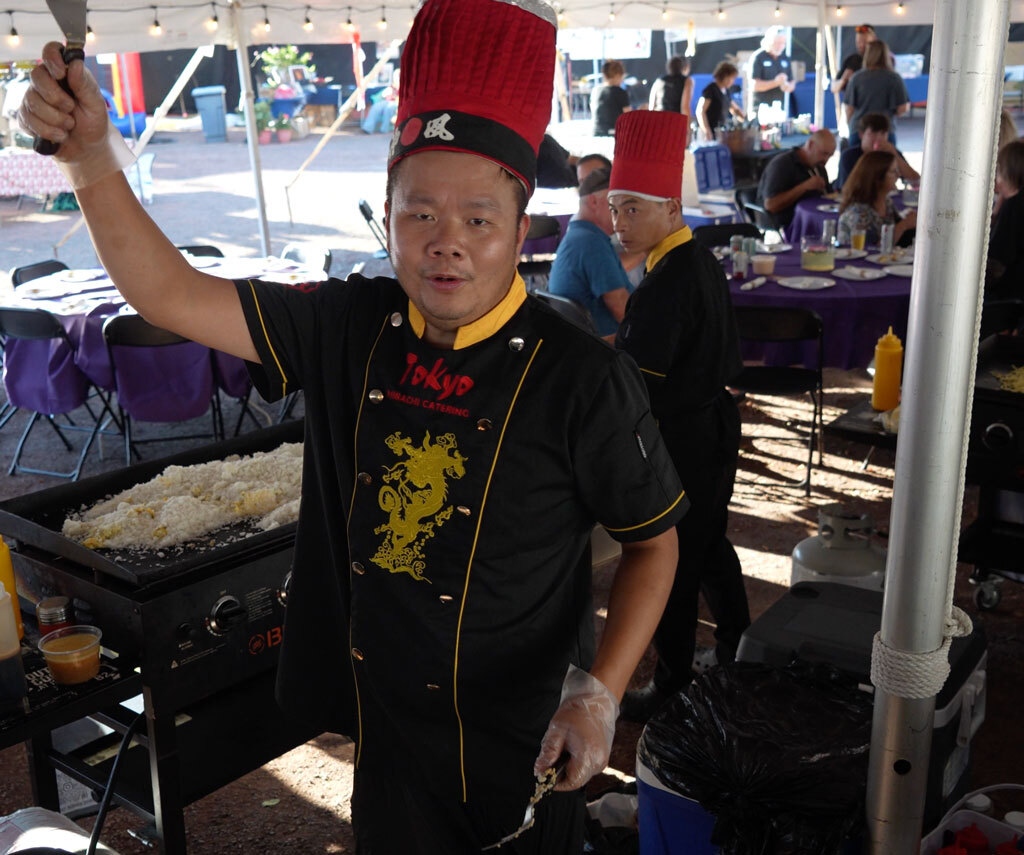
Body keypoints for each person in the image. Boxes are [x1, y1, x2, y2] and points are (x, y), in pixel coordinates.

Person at [20, 0, 687, 850]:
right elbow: (169, 292)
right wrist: (89, 156)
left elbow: (654, 543)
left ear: (522, 228)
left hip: (525, 743)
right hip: (388, 739)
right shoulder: (348, 325)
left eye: (479, 219)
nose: (447, 242)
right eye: (420, 212)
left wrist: (600, 694)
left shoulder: (583, 375)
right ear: (387, 213)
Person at [608, 111, 749, 722]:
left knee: (673, 561)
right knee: (710, 544)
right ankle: (739, 647)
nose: (619, 223)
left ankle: (671, 685)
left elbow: (637, 381)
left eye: (633, 209)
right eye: (614, 208)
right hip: (714, 423)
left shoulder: (667, 280)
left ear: (670, 207)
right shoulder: (698, 258)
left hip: (684, 438)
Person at [548, 168, 633, 337]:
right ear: (594, 202)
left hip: (584, 341)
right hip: (607, 343)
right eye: (616, 206)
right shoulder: (591, 242)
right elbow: (621, 310)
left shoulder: (579, 236)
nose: (623, 215)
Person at [757, 129, 836, 229]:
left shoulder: (818, 166)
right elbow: (770, 205)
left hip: (813, 218)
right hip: (787, 221)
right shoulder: (782, 164)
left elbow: (828, 194)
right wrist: (804, 187)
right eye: (824, 153)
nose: (826, 159)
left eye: (830, 155)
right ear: (811, 145)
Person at [837, 150, 917, 247]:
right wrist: (904, 225)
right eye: (893, 171)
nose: (898, 175)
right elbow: (871, 250)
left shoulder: (886, 202)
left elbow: (901, 231)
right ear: (877, 178)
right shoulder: (859, 214)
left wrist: (910, 220)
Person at [845, 40, 910, 147]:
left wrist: (851, 127)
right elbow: (902, 108)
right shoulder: (894, 78)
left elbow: (849, 109)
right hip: (885, 131)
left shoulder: (856, 78)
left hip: (859, 131)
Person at [837, 112, 919, 187]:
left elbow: (916, 181)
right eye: (873, 133)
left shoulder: (890, 153)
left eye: (883, 133)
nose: (879, 138)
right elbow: (847, 189)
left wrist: (895, 155)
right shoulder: (849, 156)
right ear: (861, 134)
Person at [987, 139, 1024, 300]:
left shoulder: (1014, 206)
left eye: (999, 171)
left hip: (1009, 297)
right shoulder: (1014, 202)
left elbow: (996, 260)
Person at [747, 26, 795, 115]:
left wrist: (786, 85)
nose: (780, 46)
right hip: (760, 109)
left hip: (778, 109)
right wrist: (776, 82)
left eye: (782, 43)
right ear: (769, 41)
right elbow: (754, 85)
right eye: (777, 43)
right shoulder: (758, 57)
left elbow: (792, 83)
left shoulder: (785, 58)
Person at [696, 61, 745, 141]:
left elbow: (734, 108)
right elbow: (700, 111)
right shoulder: (710, 89)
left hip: (721, 131)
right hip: (709, 133)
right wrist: (707, 130)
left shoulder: (726, 91)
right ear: (725, 76)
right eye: (732, 78)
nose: (733, 81)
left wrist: (744, 118)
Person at [831, 24, 876, 100]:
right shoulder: (852, 60)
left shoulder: (880, 60)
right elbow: (834, 88)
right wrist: (844, 79)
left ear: (874, 40)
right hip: (853, 105)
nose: (861, 45)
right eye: (858, 42)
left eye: (865, 42)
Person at [592, 60, 632, 136]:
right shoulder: (620, 92)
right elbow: (628, 116)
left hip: (596, 131)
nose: (622, 80)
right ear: (617, 75)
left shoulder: (595, 90)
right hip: (614, 133)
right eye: (622, 76)